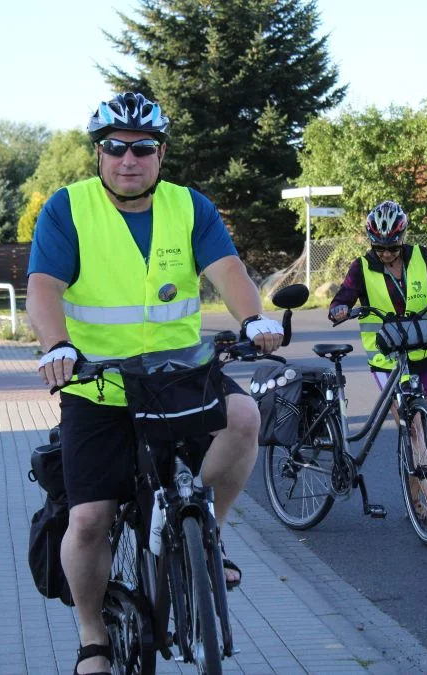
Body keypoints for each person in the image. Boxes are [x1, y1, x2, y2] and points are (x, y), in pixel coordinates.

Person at [26, 92, 283, 675]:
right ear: (99, 153)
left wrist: (253, 318)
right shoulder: (69, 209)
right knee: (89, 520)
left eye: (142, 148)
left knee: (244, 418)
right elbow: (43, 288)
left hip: (178, 380)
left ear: (161, 154)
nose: (128, 158)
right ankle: (92, 635)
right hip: (98, 388)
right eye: (115, 146)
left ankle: (207, 536)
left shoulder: (189, 207)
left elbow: (229, 272)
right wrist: (57, 346)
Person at [327, 200, 427, 523]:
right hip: (387, 359)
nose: (386, 254)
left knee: (426, 427)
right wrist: (339, 310)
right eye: (379, 248)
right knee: (413, 429)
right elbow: (342, 298)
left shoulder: (421, 257)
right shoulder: (361, 267)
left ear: (402, 240)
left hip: (426, 352)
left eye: (392, 248)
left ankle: (416, 497)